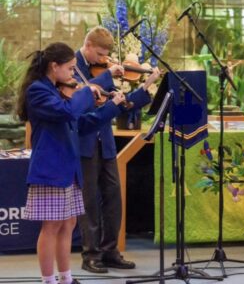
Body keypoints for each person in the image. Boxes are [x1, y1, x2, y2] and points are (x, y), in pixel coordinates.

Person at [16, 42, 127, 284]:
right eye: (70, 68)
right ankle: (48, 280)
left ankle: (65, 278)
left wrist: (112, 106)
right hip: (51, 169)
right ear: (53, 67)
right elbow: (67, 112)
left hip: (68, 169)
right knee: (52, 226)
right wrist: (87, 93)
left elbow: (82, 124)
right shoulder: (38, 91)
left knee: (68, 223)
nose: (73, 75)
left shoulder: (56, 90)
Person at [75, 26, 161, 273]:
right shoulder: (73, 65)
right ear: (88, 46)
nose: (104, 60)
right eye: (101, 54)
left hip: (106, 141)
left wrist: (146, 87)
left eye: (106, 56)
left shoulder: (100, 69)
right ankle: (90, 254)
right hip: (85, 142)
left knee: (113, 197)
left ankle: (110, 251)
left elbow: (120, 104)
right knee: (89, 200)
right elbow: (80, 95)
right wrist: (107, 74)